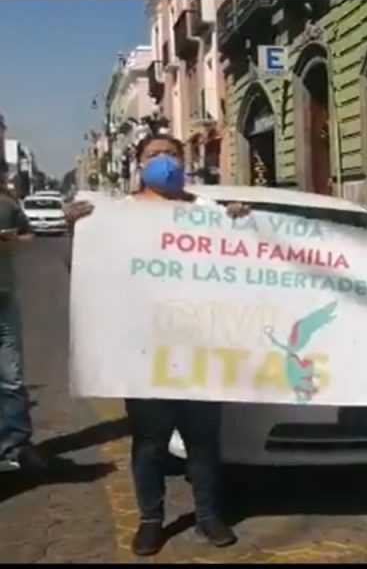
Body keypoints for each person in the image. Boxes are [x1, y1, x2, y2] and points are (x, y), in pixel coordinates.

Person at [64, 134, 250, 556]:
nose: (163, 161)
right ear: (138, 164)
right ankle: (151, 520)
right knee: (149, 441)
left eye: (171, 154)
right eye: (153, 155)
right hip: (144, 349)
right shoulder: (118, 214)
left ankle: (208, 516)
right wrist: (81, 229)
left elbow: (240, 264)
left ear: (184, 163)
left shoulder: (207, 213)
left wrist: (244, 224)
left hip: (201, 346)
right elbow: (89, 271)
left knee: (203, 440)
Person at [0, 183, 46, 473]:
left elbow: (28, 235)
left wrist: (13, 240)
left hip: (4, 298)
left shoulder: (6, 203)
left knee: (11, 377)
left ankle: (16, 446)